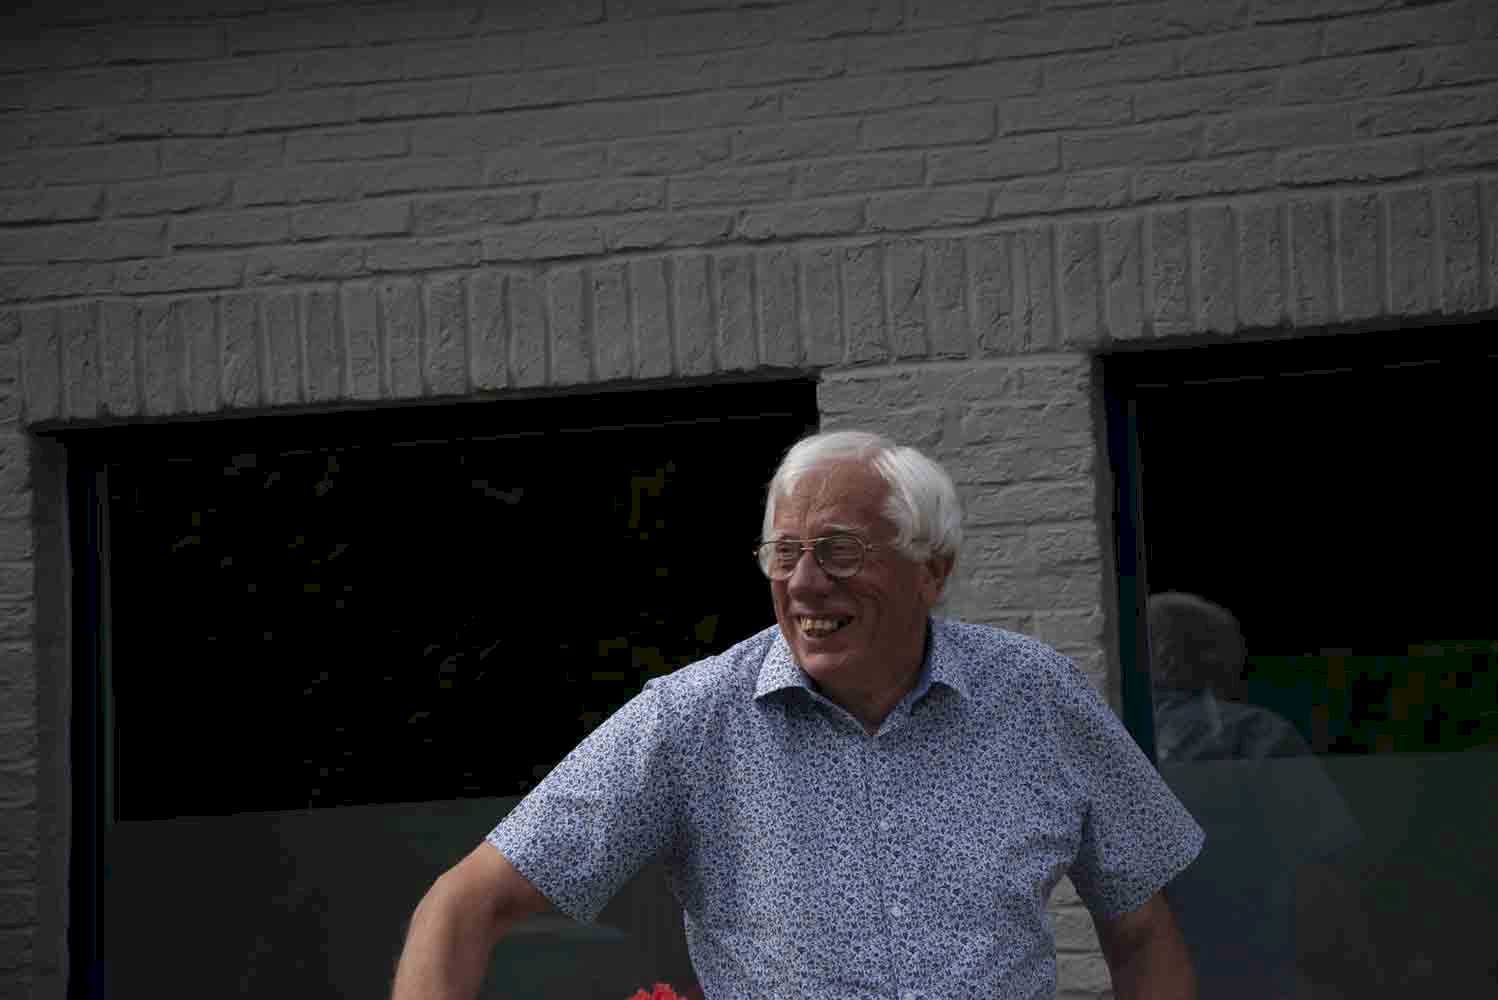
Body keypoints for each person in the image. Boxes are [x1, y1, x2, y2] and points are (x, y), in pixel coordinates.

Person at [392, 430, 1205, 999]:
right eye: (785, 554)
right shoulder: (692, 720)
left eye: (841, 551)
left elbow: (1141, 932)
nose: (806, 584)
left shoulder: (1035, 695)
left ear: (932, 570)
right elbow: (463, 904)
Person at [1146, 592, 1377, 1000]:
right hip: (1256, 960)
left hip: (1152, 966)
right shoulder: (1257, 735)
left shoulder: (1115, 737)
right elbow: (1325, 865)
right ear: (1210, 657)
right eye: (1230, 650)